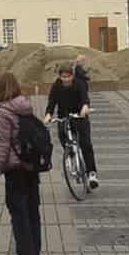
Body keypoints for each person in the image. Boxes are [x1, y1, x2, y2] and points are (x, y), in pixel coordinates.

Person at [0, 72, 42, 255]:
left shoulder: (4, 112)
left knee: (19, 213)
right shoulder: (25, 106)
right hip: (31, 166)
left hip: (15, 169)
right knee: (32, 211)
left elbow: (3, 148)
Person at [43, 61, 100, 190]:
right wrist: (48, 115)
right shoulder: (56, 86)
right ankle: (71, 156)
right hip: (64, 116)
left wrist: (85, 107)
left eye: (68, 76)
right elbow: (51, 103)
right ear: (59, 77)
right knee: (63, 138)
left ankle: (92, 173)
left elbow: (85, 98)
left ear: (72, 76)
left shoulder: (79, 84)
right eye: (63, 77)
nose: (66, 79)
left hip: (79, 116)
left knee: (86, 144)